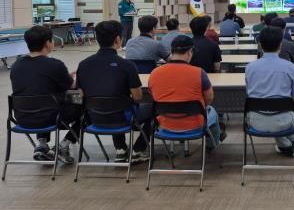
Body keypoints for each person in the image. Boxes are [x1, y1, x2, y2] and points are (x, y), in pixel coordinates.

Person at [76, 20, 150, 163]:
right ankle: (138, 150)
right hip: (122, 118)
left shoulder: (83, 65)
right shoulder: (127, 66)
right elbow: (138, 97)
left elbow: (82, 95)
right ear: (117, 39)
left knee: (112, 102)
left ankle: (120, 149)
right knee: (152, 109)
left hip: (93, 118)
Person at [9, 25, 80, 164]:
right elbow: (72, 86)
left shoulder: (17, 65)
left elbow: (35, 86)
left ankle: (41, 144)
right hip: (52, 117)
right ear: (48, 43)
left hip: (22, 117)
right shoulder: (54, 65)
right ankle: (64, 144)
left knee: (40, 97)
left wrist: (64, 77)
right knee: (82, 102)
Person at [148, 35, 221, 149]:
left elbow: (153, 95)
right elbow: (209, 98)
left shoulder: (154, 73)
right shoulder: (199, 73)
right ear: (189, 52)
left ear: (172, 51)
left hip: (164, 125)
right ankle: (212, 144)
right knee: (213, 112)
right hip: (194, 124)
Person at [245, 26, 294, 156]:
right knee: (292, 111)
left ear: (260, 45)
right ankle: (288, 144)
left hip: (255, 121)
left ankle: (286, 145)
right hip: (284, 120)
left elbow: (249, 93)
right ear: (280, 45)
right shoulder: (290, 67)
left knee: (274, 108)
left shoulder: (250, 68)